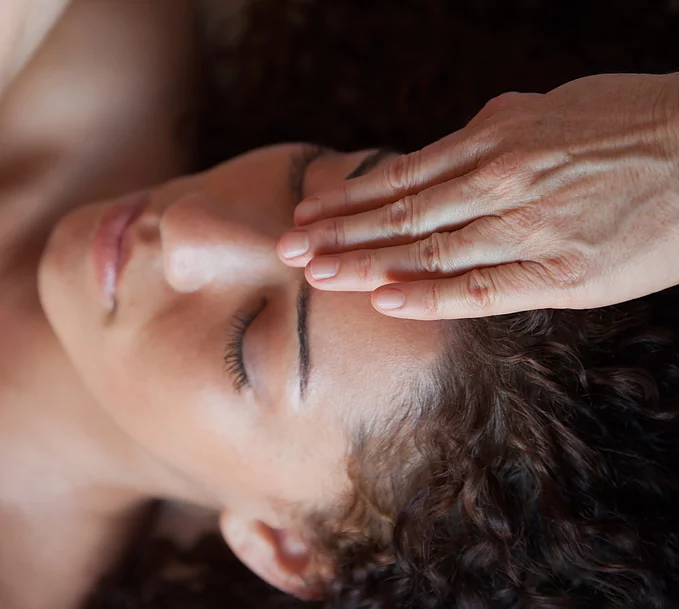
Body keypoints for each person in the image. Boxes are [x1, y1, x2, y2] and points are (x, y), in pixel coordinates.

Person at [3, 4, 679, 609]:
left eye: (247, 342)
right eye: (313, 183)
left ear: (284, 544)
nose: (190, 226)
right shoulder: (103, 32)